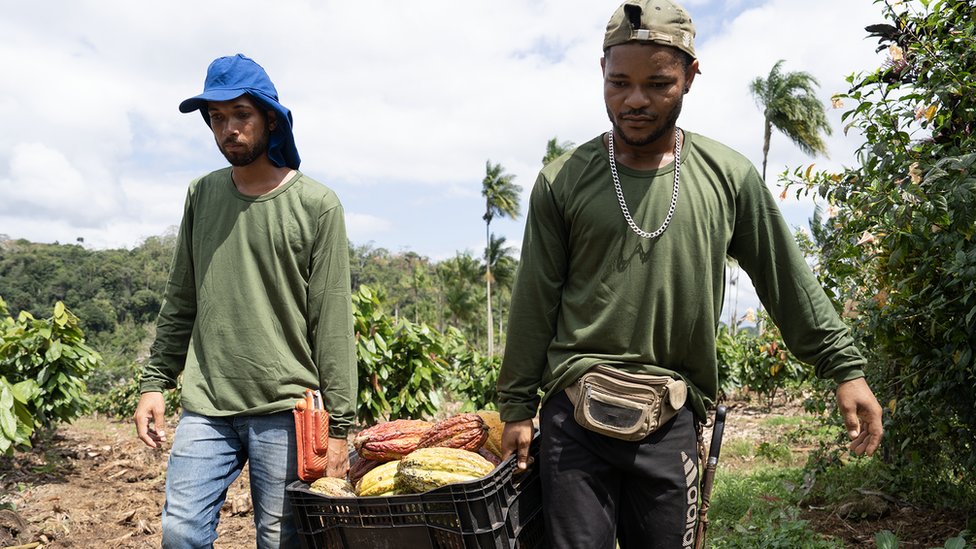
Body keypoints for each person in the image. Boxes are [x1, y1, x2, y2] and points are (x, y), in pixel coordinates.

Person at [496, 1, 884, 548]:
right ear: (600, 73)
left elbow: (785, 280)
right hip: (573, 422)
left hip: (671, 416)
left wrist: (845, 368)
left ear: (690, 76)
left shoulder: (728, 177)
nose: (634, 100)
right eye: (619, 82)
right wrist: (515, 407)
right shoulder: (564, 180)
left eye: (658, 84)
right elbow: (534, 300)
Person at [132, 54, 357, 549]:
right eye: (216, 119)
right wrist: (154, 383)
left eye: (240, 115)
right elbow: (181, 297)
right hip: (207, 406)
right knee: (180, 532)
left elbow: (333, 323)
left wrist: (340, 429)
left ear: (269, 119)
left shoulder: (317, 205)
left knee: (280, 540)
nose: (227, 129)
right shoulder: (203, 194)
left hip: (287, 408)